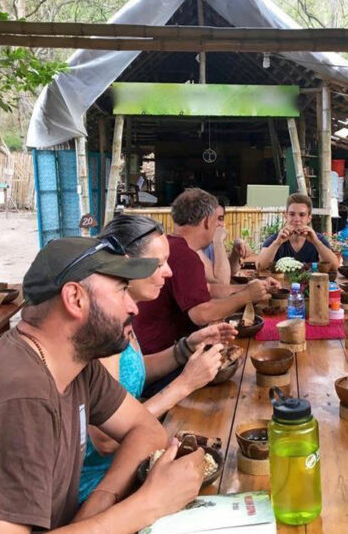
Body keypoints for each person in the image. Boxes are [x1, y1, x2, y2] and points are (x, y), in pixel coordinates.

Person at [0, 236, 206, 534]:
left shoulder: (74, 362)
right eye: (122, 290)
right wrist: (148, 504)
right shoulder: (18, 397)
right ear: (74, 299)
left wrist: (101, 501)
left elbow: (146, 429)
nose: (133, 307)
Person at [79, 215, 238, 503]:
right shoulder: (100, 327)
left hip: (137, 458)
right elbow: (105, 440)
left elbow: (135, 372)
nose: (169, 272)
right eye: (159, 263)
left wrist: (186, 347)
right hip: (104, 487)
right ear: (127, 263)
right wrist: (184, 384)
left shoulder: (123, 313)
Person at [133, 188, 273, 358]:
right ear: (207, 221)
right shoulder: (184, 255)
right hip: (160, 358)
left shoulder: (172, 245)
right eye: (216, 221)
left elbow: (210, 289)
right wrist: (246, 296)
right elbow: (201, 313)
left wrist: (252, 288)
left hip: (146, 349)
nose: (218, 226)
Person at [256, 193, 339, 270]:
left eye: (302, 215)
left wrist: (316, 242)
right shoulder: (276, 239)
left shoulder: (318, 239)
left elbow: (334, 266)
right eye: (292, 214)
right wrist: (277, 242)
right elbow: (259, 266)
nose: (296, 219)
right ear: (286, 215)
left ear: (309, 218)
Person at [198, 197, 252, 284]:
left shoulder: (211, 244)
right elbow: (222, 283)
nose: (218, 224)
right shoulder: (194, 247)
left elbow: (229, 271)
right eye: (212, 218)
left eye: (220, 219)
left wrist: (235, 252)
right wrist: (218, 241)